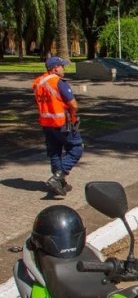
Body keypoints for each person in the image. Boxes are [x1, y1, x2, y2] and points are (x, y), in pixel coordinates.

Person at [33, 56, 82, 196]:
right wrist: (73, 115)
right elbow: (73, 104)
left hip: (46, 123)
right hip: (62, 123)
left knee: (55, 152)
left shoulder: (38, 82)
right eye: (62, 66)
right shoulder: (58, 82)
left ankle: (59, 183)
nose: (63, 69)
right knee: (76, 148)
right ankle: (59, 176)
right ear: (55, 68)